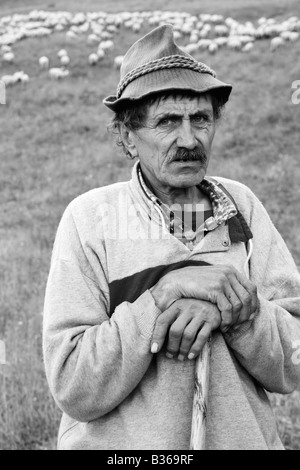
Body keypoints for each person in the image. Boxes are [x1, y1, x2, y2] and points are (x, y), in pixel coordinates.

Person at [43, 24, 300, 450]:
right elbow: (73, 383)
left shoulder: (243, 206)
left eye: (200, 118)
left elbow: (293, 362)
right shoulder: (91, 220)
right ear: (128, 136)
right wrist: (162, 296)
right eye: (167, 122)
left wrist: (232, 313)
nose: (189, 139)